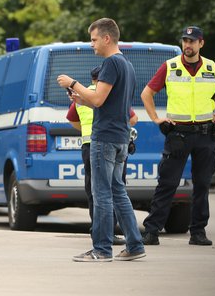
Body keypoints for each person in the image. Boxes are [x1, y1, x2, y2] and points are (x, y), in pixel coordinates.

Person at [57, 17, 145, 262]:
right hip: (120, 137)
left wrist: (72, 82)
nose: (91, 44)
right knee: (118, 192)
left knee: (102, 194)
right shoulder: (126, 65)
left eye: (94, 39)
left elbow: (97, 100)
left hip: (104, 138)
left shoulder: (110, 64)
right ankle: (135, 245)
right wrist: (79, 97)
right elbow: (102, 101)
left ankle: (101, 249)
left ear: (107, 38)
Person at [140, 26, 215, 246]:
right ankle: (152, 231)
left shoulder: (211, 67)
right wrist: (156, 118)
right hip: (178, 133)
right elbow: (147, 93)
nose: (188, 45)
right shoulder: (170, 66)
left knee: (201, 184)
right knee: (167, 183)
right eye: (185, 41)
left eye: (192, 41)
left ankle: (198, 232)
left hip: (204, 134)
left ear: (201, 43)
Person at [65, 65, 138, 245]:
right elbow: (133, 118)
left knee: (96, 192)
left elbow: (72, 119)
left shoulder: (88, 95)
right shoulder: (114, 92)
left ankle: (100, 238)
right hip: (115, 141)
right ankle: (130, 241)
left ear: (92, 79)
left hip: (92, 145)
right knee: (116, 190)